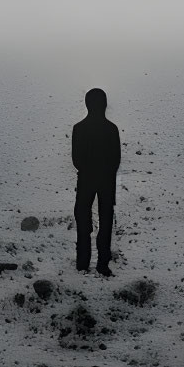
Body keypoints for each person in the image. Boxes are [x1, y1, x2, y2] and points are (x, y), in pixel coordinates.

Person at [72, 87, 120, 276]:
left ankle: (83, 262)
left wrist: (89, 171)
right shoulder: (111, 129)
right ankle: (102, 263)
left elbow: (76, 160)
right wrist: (105, 172)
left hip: (86, 180)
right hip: (106, 181)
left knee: (84, 221)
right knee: (105, 222)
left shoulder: (79, 128)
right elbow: (116, 159)